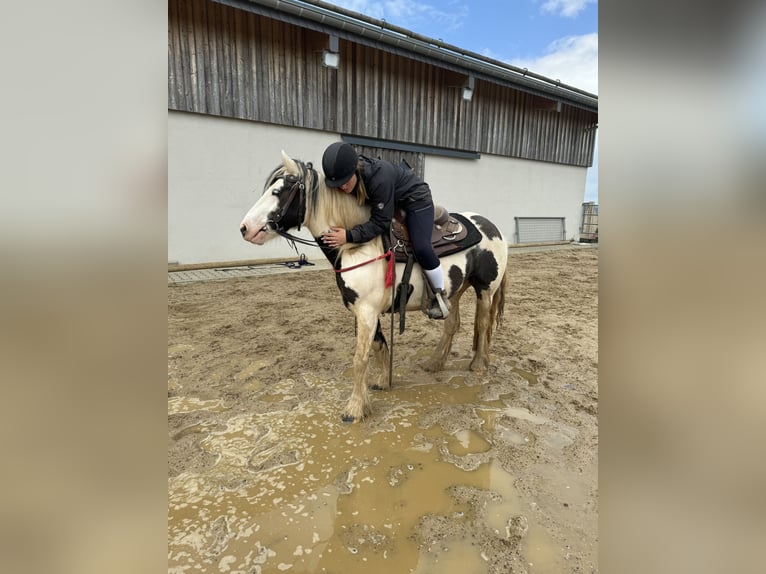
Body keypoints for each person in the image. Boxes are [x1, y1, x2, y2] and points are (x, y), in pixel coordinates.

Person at [320, 142, 450, 320]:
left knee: (421, 247)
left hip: (416, 200)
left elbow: (381, 222)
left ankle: (439, 294)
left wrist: (348, 235)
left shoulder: (378, 178)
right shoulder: (354, 178)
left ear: (355, 171)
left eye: (345, 181)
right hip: (393, 199)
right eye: (338, 184)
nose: (342, 187)